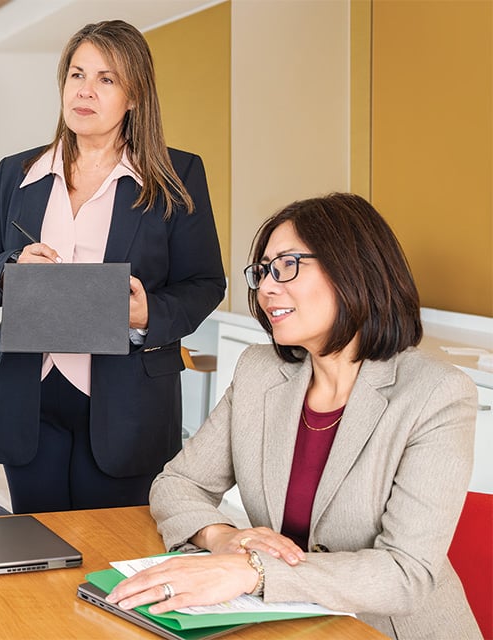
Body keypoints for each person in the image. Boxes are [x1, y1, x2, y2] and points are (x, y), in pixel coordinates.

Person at [108, 193, 480, 639]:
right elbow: (179, 484)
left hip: (386, 630)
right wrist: (223, 537)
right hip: (292, 622)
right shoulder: (259, 372)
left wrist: (253, 572)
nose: (266, 287)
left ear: (352, 269)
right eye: (263, 271)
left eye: (287, 266)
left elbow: (405, 572)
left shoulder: (436, 394)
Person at [0, 20, 225, 513]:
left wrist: (150, 314)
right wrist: (12, 266)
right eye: (77, 75)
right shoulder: (18, 173)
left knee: (111, 556)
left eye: (107, 79)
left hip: (127, 400)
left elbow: (206, 283)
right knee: (39, 547)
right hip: (30, 393)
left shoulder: (177, 176)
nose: (85, 91)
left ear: (134, 96)